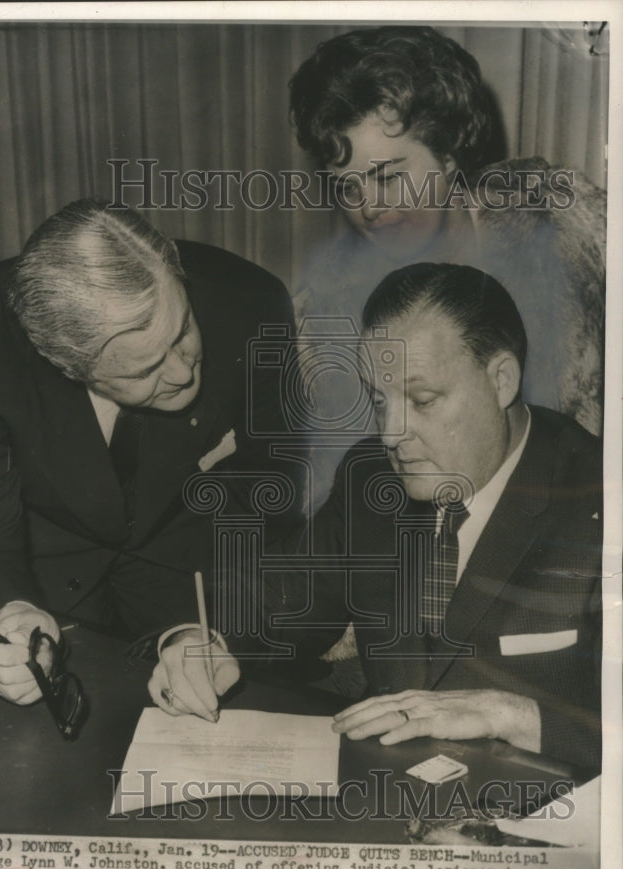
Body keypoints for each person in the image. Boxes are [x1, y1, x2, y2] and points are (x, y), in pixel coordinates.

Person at [150, 263, 602, 770]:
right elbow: (279, 595)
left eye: (422, 399)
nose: (390, 434)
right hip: (390, 796)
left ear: (502, 380)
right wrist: (200, 641)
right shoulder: (372, 478)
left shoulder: (600, 497)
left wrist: (513, 714)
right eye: (378, 399)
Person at [0, 199, 300, 705]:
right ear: (67, 366)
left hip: (192, 573)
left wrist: (202, 631)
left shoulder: (251, 302)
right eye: (144, 371)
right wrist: (14, 614)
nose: (184, 373)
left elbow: (271, 492)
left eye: (182, 331)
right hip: (45, 571)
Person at [288, 26, 606, 508]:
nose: (368, 208)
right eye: (348, 187)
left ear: (451, 155)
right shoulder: (326, 321)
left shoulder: (565, 228)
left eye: (388, 178)